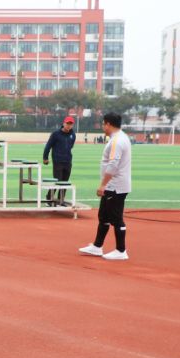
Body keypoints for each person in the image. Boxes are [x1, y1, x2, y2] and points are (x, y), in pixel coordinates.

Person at [79, 112, 132, 261]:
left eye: (103, 124)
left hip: (115, 186)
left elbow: (113, 164)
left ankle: (121, 250)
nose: (103, 127)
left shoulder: (117, 141)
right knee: (104, 216)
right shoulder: (120, 137)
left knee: (116, 218)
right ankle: (97, 246)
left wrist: (103, 185)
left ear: (108, 124)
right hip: (113, 185)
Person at [43, 117, 76, 206]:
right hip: (57, 161)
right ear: (64, 123)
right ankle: (49, 199)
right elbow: (48, 146)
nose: (69, 126)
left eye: (71, 124)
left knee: (65, 182)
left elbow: (71, 146)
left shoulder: (73, 135)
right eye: (67, 123)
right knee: (58, 181)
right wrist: (45, 158)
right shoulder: (56, 134)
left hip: (68, 161)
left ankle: (61, 200)